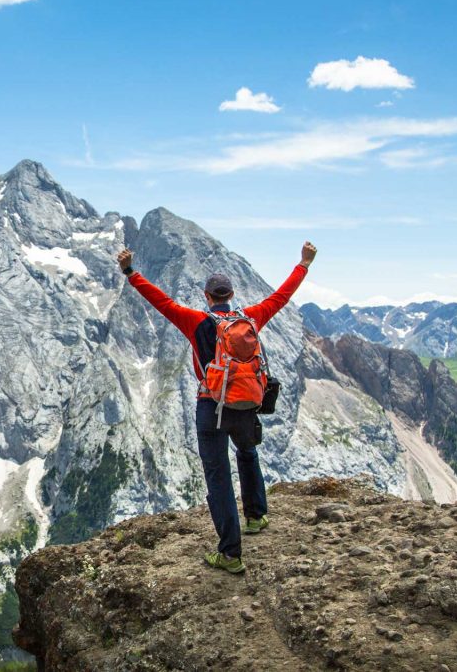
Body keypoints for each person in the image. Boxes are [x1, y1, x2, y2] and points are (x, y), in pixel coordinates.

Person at [116, 241, 317, 574]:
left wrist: (130, 272)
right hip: (245, 403)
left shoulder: (196, 321)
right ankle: (255, 517)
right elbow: (281, 297)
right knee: (248, 453)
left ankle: (230, 553)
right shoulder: (250, 319)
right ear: (232, 295)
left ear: (207, 297)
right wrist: (304, 264)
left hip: (210, 406)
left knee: (218, 477)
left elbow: (159, 301)